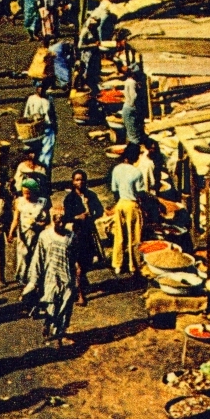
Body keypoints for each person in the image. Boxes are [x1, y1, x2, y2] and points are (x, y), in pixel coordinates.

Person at [23, 208, 77, 346]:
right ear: (53, 221)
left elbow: (75, 259)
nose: (60, 224)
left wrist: (77, 279)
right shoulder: (45, 236)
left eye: (63, 221)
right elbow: (38, 259)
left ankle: (60, 334)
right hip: (50, 278)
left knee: (65, 308)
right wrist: (34, 281)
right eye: (57, 221)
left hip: (67, 278)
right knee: (52, 306)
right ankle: (52, 329)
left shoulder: (71, 237)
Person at [61, 169, 103, 306]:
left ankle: (80, 282)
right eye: (77, 180)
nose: (80, 182)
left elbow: (100, 210)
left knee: (88, 261)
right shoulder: (70, 199)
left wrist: (92, 215)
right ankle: (80, 295)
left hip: (89, 233)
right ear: (73, 182)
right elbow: (67, 217)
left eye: (82, 179)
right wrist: (77, 217)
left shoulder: (91, 195)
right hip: (77, 233)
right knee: (77, 266)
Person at [108, 144, 147, 276]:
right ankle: (133, 265)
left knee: (119, 236)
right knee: (134, 237)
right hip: (132, 205)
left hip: (120, 204)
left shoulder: (116, 169)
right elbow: (140, 193)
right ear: (135, 157)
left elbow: (114, 190)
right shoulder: (136, 173)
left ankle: (117, 264)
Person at [9, 178, 48, 296]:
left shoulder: (41, 202)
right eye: (24, 192)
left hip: (36, 234)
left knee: (35, 258)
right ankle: (24, 281)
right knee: (23, 257)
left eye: (28, 192)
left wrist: (37, 225)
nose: (26, 195)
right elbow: (16, 219)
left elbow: (46, 221)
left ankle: (35, 283)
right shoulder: (19, 202)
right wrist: (11, 232)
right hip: (23, 235)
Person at [21, 80, 58, 172]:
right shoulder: (31, 99)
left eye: (43, 87)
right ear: (36, 88)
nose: (41, 89)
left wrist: (55, 127)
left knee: (46, 156)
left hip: (47, 129)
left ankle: (45, 177)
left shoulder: (49, 99)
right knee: (34, 155)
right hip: (35, 131)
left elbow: (52, 114)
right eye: (39, 87)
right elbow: (26, 115)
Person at [121, 61, 148, 146]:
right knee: (134, 131)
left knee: (130, 130)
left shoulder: (128, 81)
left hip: (126, 106)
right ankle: (134, 150)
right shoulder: (132, 82)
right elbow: (134, 96)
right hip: (130, 107)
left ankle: (130, 148)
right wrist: (133, 105)